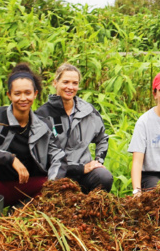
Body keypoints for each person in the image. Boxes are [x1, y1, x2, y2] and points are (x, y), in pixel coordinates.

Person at [0, 63, 65, 214]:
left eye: (27, 93)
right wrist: (9, 158)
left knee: (56, 184)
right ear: (9, 95)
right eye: (17, 94)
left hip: (27, 187)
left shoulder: (44, 125)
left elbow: (58, 158)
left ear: (35, 94)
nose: (23, 98)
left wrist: (53, 186)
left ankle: (19, 212)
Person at [36, 63, 112, 194]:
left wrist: (98, 161)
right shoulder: (42, 115)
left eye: (75, 83)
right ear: (55, 83)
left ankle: (91, 209)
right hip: (56, 174)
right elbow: (44, 157)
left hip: (85, 173)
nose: (70, 87)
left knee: (104, 176)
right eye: (65, 82)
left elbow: (102, 138)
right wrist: (80, 168)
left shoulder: (87, 111)